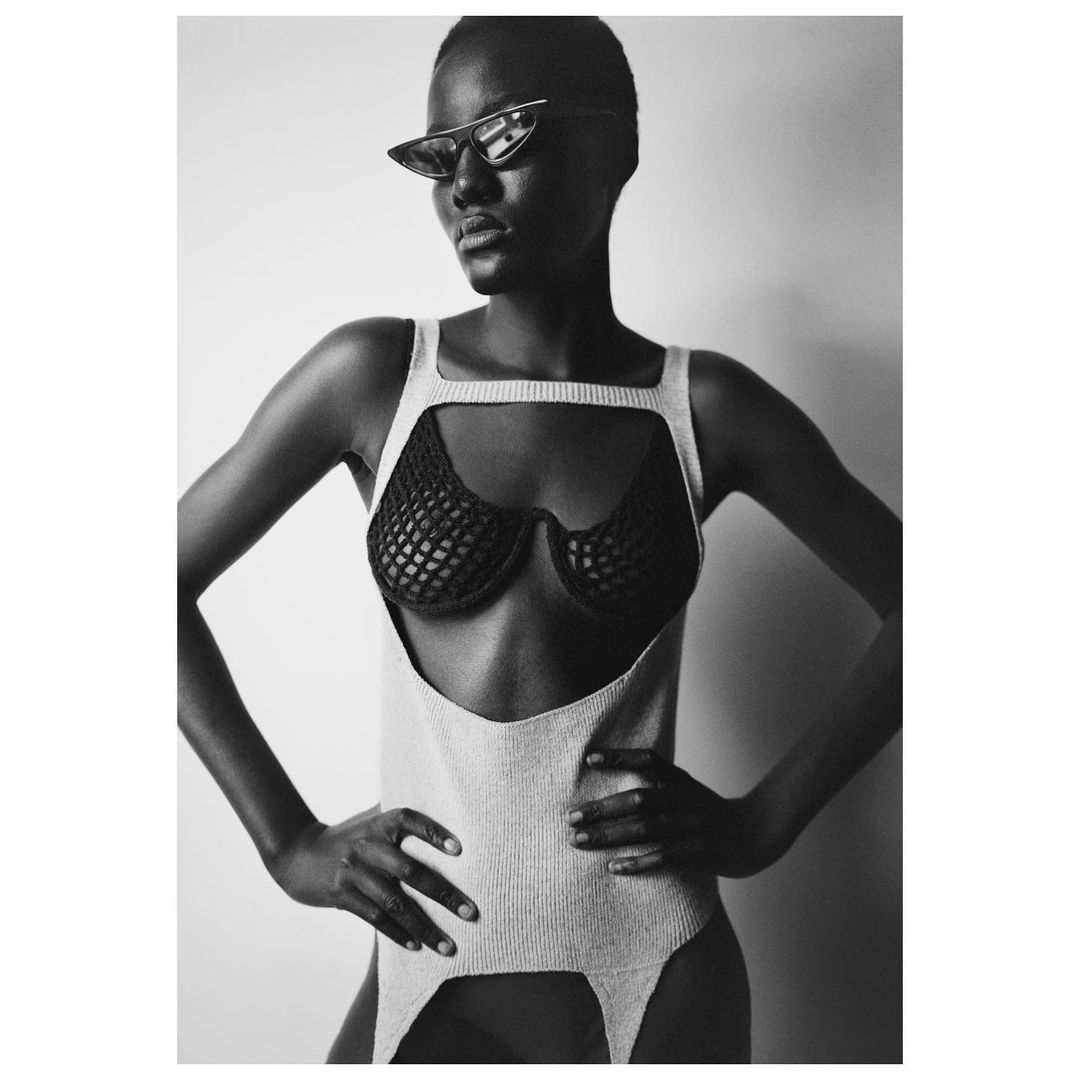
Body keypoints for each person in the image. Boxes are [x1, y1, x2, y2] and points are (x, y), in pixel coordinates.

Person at [178, 15, 902, 1064]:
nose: (466, 184)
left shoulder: (705, 409)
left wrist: (765, 822)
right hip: (426, 968)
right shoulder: (375, 380)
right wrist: (288, 842)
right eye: (439, 155)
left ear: (617, 149)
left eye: (506, 134)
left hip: (661, 969)